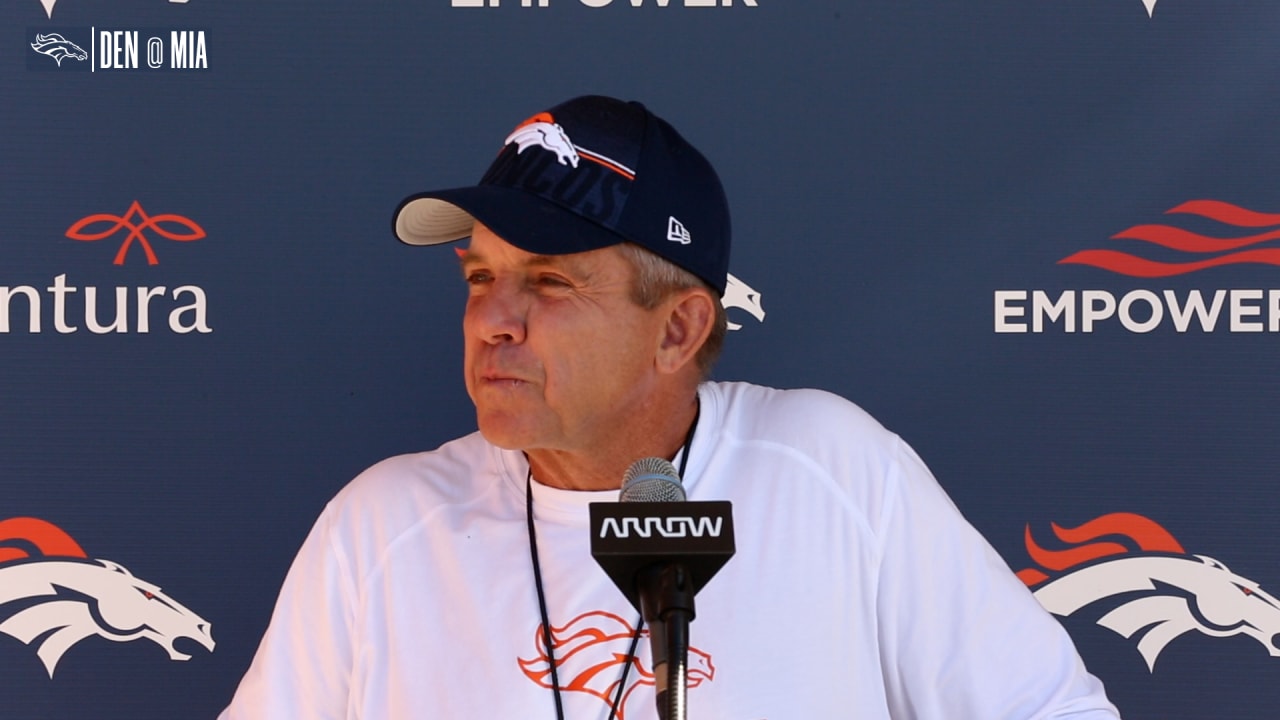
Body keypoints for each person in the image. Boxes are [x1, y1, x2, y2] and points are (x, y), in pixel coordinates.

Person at [219, 95, 1120, 719]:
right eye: (481, 277)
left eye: (550, 282)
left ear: (678, 329)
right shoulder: (381, 528)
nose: (493, 319)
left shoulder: (831, 469)